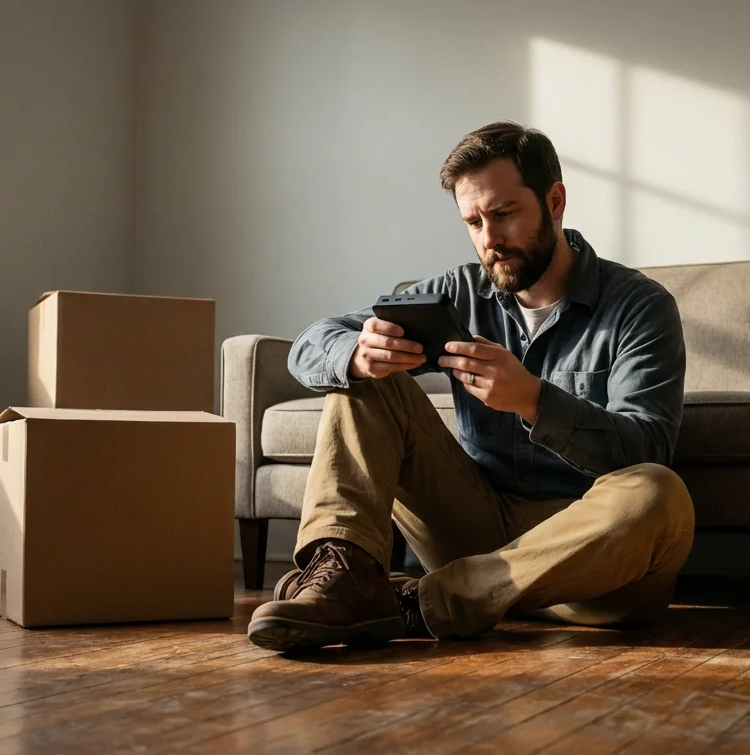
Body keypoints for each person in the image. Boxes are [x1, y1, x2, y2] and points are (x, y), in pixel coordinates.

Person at [247, 121, 694, 652]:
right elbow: (313, 341)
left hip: (592, 564)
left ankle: (418, 603)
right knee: (363, 375)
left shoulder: (640, 307)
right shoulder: (459, 291)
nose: (489, 239)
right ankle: (342, 578)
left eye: (504, 215)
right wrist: (357, 353)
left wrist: (532, 399)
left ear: (554, 201)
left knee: (660, 494)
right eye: (473, 221)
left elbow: (647, 447)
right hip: (476, 528)